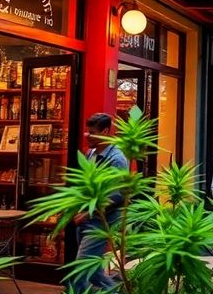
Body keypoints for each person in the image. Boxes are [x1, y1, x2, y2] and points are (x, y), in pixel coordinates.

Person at [70, 113, 129, 292]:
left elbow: (117, 196)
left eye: (92, 132)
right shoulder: (91, 153)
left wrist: (87, 213)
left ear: (105, 131)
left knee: (81, 269)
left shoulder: (117, 159)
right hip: (87, 219)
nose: (88, 136)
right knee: (94, 271)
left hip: (102, 221)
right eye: (87, 132)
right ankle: (117, 291)